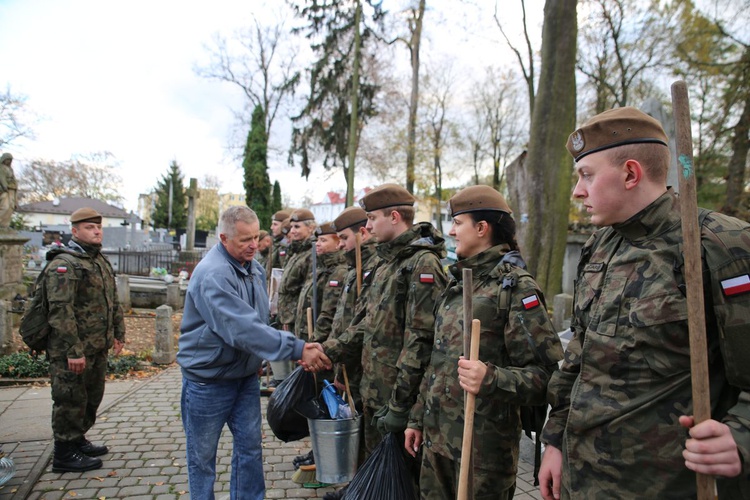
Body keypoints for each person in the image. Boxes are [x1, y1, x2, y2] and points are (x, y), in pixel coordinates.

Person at [538, 107, 750, 499]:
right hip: (581, 482)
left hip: (666, 486)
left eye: (586, 175)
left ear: (631, 173)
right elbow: (580, 354)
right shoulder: (600, 245)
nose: (577, 191)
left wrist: (740, 437)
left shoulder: (720, 244)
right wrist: (554, 441)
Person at [404, 185, 564, 499]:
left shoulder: (515, 288)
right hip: (437, 445)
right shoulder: (456, 283)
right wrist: (417, 417)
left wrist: (491, 378)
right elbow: (437, 362)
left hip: (482, 455)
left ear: (481, 228)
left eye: (457, 223)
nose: (450, 232)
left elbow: (546, 378)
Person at [177, 205, 330, 500]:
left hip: (245, 378)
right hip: (208, 382)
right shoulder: (213, 275)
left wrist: (268, 352)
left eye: (255, 237)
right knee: (202, 458)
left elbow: (260, 320)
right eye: (244, 240)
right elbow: (243, 328)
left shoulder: (253, 269)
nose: (252, 245)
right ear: (223, 238)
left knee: (249, 449)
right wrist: (297, 348)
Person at [319, 183, 448, 465]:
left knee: (399, 482)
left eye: (373, 218)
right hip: (375, 391)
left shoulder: (421, 264)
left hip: (398, 396)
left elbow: (421, 340)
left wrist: (401, 404)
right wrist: (328, 350)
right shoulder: (385, 263)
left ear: (394, 217)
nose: (368, 226)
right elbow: (367, 324)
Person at [45, 207, 126, 473]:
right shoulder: (64, 264)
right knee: (70, 399)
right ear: (75, 231)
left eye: (98, 227)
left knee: (91, 397)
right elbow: (60, 310)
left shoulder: (98, 260)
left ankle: (77, 440)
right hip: (73, 350)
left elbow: (112, 300)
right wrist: (73, 350)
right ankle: (63, 453)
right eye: (90, 228)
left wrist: (118, 332)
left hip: (96, 347)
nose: (97, 231)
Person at [295, 221, 348, 343]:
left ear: (338, 243)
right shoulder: (320, 268)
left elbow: (328, 313)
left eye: (323, 241)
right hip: (305, 332)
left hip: (320, 339)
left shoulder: (338, 271)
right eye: (317, 240)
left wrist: (314, 340)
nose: (317, 244)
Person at [0, 152, 18, 228]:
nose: (9, 162)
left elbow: (14, 178)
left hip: (12, 189)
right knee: (5, 206)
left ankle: (5, 224)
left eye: (10, 160)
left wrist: (15, 184)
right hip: (5, 190)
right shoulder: (1, 168)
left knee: (11, 207)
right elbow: (2, 178)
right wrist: (5, 187)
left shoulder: (10, 169)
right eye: (8, 159)